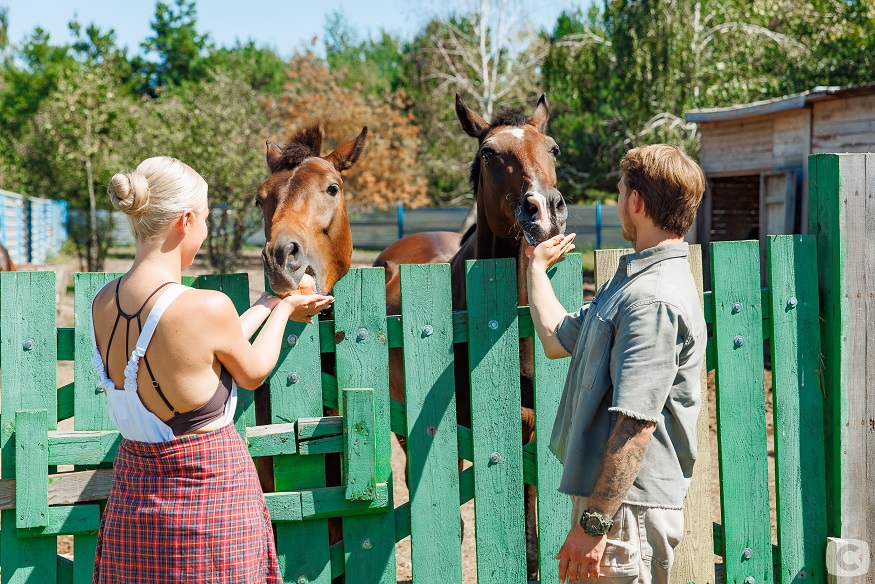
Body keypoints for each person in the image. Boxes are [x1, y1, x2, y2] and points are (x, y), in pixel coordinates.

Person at [90, 156, 333, 583]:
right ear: (185, 221)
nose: (204, 229)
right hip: (210, 509)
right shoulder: (204, 307)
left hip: (133, 508)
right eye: (204, 219)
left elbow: (197, 356)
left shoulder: (104, 301)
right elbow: (252, 370)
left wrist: (265, 305)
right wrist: (287, 310)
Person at [526, 144, 707, 584]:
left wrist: (594, 527)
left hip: (627, 513)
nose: (618, 200)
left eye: (621, 190)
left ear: (637, 202)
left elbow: (635, 426)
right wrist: (535, 267)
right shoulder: (633, 284)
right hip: (616, 509)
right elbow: (556, 339)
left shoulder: (652, 299)